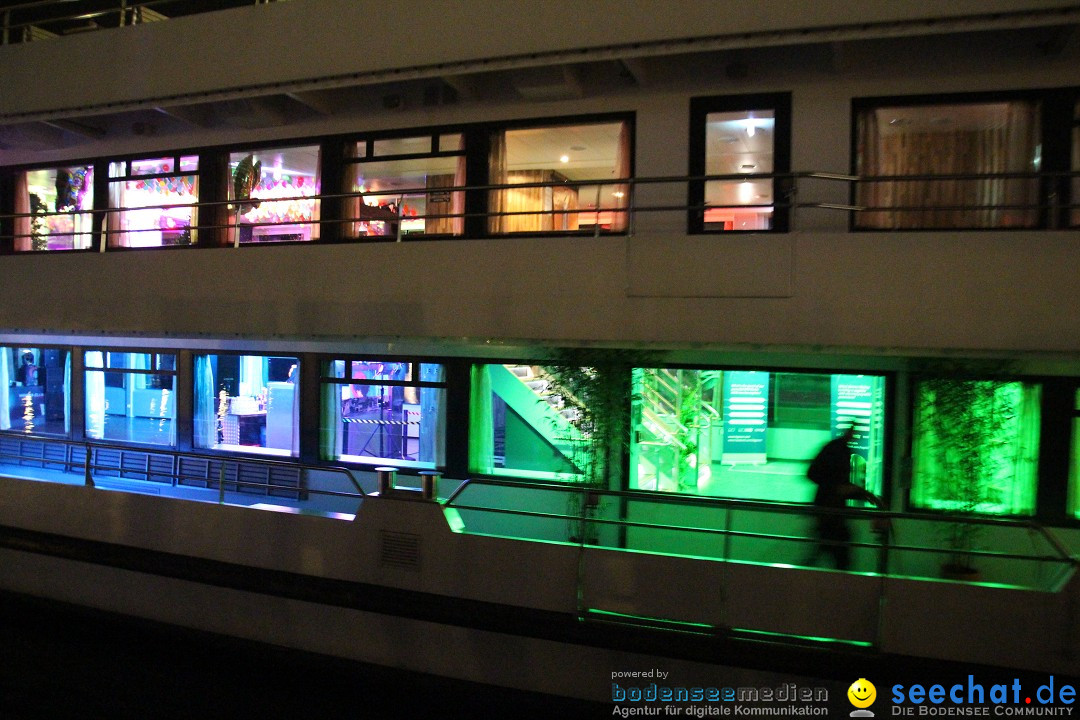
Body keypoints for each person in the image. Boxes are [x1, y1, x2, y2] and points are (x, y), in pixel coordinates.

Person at [805, 424, 884, 570]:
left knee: (825, 551)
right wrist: (866, 495)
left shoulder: (835, 449)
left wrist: (864, 495)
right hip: (831, 514)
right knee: (840, 554)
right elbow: (842, 486)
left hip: (826, 513)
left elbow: (837, 483)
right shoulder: (840, 451)